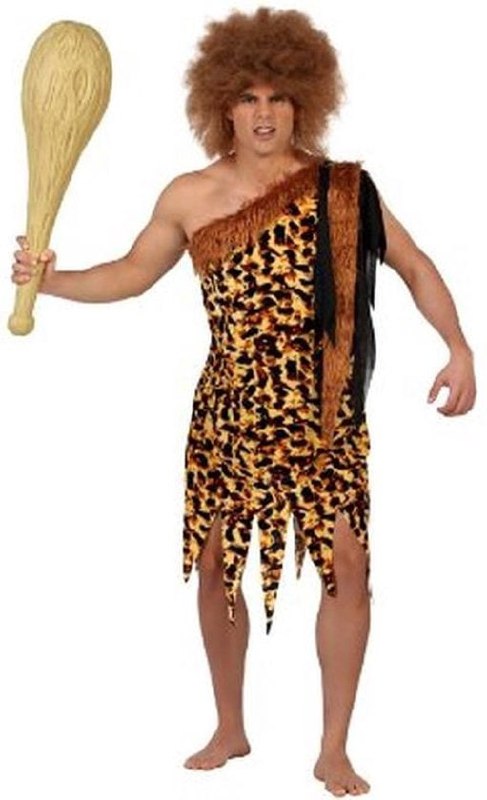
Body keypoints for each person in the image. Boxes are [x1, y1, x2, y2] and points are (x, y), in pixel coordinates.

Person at [12, 6, 476, 797]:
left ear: (302, 104)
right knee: (216, 567)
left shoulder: (343, 188)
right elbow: (130, 274)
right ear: (221, 106)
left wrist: (458, 347)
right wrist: (50, 282)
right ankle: (229, 727)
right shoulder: (191, 195)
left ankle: (333, 748)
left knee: (347, 568)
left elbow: (415, 264)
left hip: (325, 413)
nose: (263, 114)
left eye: (277, 98)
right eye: (248, 98)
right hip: (229, 412)